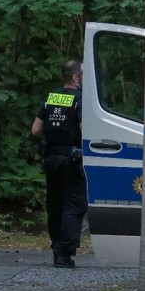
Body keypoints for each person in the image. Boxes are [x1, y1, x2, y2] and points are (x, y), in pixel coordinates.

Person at [31, 60, 88, 268]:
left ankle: (56, 247)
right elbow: (84, 130)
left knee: (55, 204)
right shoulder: (79, 100)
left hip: (51, 159)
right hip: (72, 161)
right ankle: (64, 254)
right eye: (83, 74)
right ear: (76, 77)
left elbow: (36, 130)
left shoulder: (51, 97)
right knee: (73, 205)